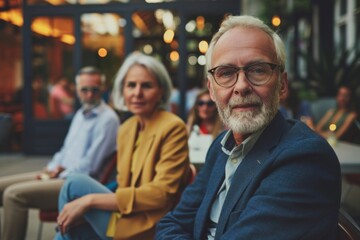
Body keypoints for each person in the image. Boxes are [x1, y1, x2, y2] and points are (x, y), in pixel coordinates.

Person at [156, 15, 341, 240]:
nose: (241, 86)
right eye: (225, 73)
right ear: (212, 90)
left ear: (282, 85)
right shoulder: (220, 148)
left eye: (258, 70)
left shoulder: (306, 158)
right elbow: (171, 223)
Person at [55, 52, 190, 240]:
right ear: (122, 90)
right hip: (123, 213)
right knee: (72, 226)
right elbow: (122, 182)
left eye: (147, 86)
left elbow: (161, 195)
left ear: (161, 91)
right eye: (131, 85)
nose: (137, 93)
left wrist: (90, 200)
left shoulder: (173, 127)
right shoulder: (126, 128)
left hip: (147, 223)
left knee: (74, 184)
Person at [0, 66, 120, 240]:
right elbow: (65, 150)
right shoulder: (80, 114)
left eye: (94, 89)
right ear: (76, 90)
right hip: (59, 174)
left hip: (76, 183)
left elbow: (90, 165)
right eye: (84, 89)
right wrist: (51, 168)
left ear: (103, 89)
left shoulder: (108, 119)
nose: (89, 94)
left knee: (13, 196)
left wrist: (60, 172)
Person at [187, 89, 224, 163]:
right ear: (196, 106)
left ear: (216, 106)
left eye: (209, 104)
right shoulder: (188, 129)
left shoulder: (224, 130)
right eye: (201, 103)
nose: (205, 108)